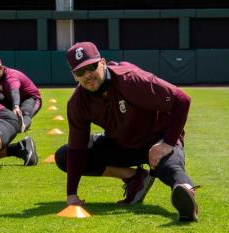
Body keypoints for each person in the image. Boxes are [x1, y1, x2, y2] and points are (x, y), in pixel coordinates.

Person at [54, 42, 199, 222]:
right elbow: (77, 149)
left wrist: (168, 142)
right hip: (123, 144)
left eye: (91, 67)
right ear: (74, 76)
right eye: (80, 72)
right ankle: (135, 178)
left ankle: (185, 195)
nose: (87, 75)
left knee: (169, 168)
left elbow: (181, 99)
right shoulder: (77, 103)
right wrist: (72, 194)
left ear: (103, 63)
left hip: (157, 138)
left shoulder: (129, 79)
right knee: (64, 156)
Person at [0, 57, 41, 132]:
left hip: (31, 98)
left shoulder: (10, 77)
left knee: (24, 112)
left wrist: (15, 106)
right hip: (11, 99)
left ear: (1, 68)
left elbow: (14, 91)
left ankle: (23, 126)